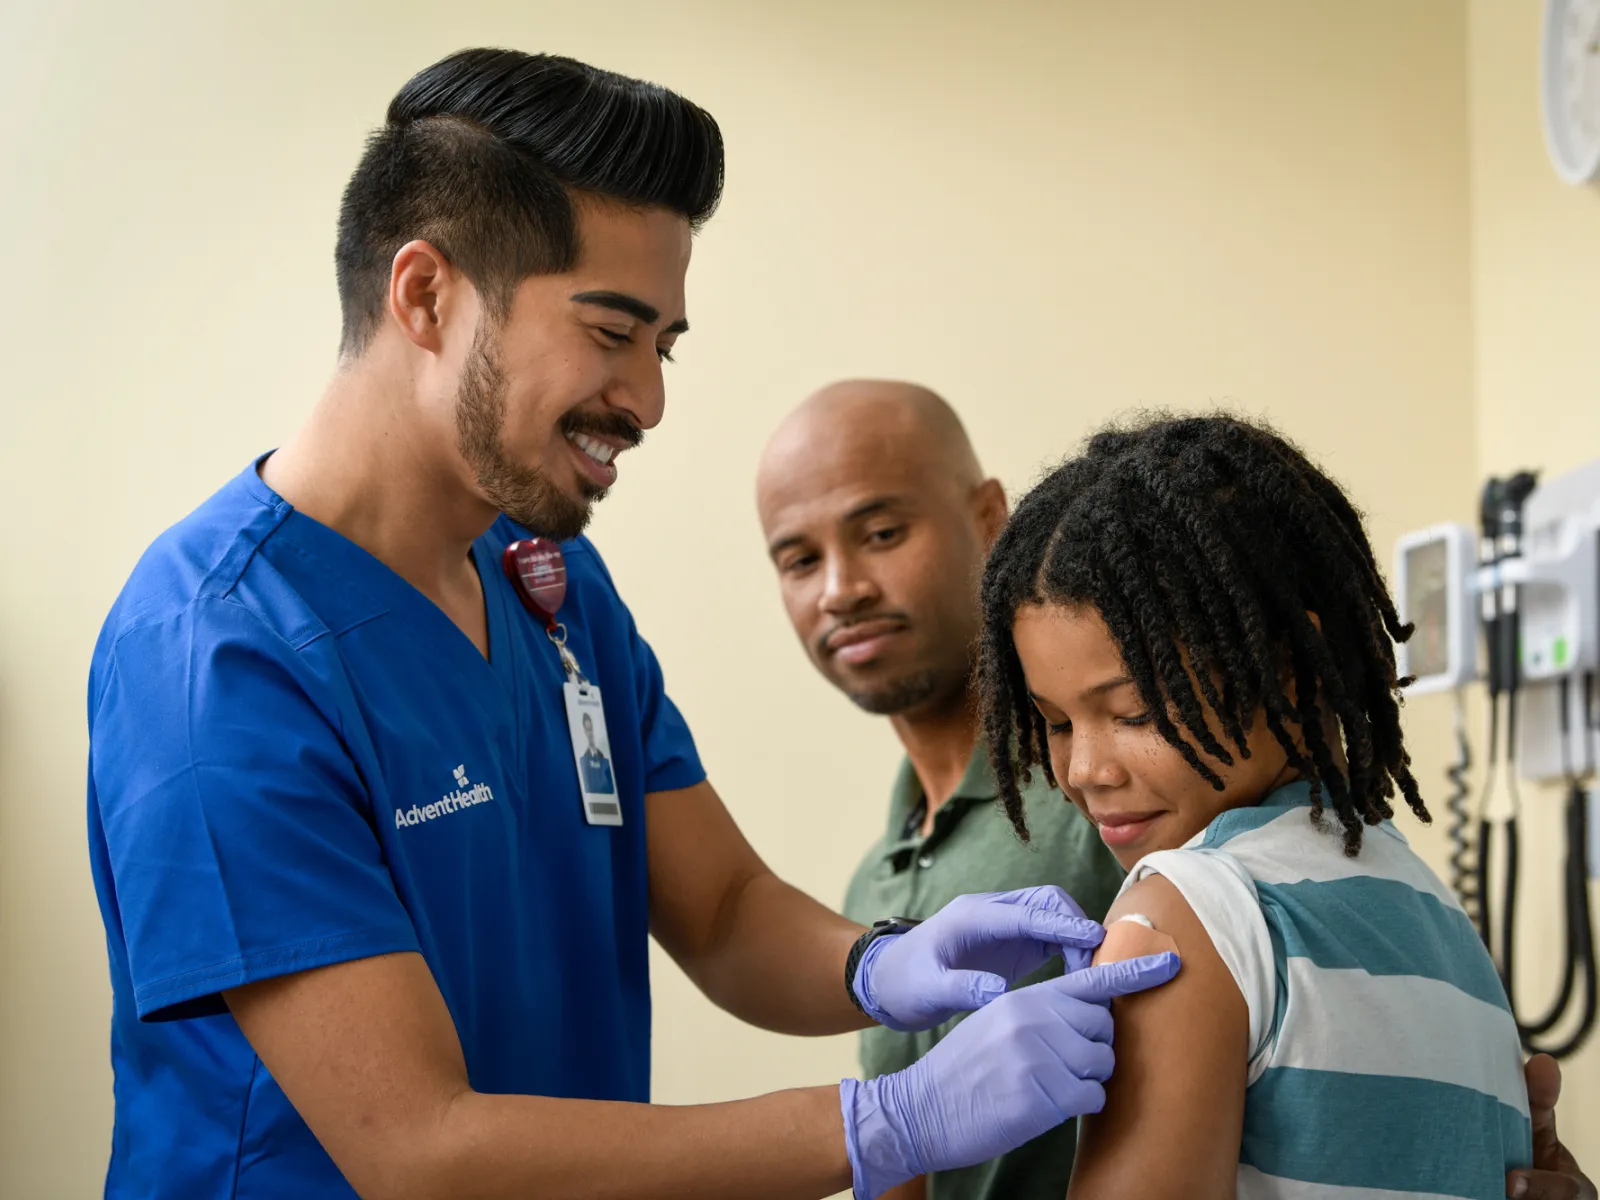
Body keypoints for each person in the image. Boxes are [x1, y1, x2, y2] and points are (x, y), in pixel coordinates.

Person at [84, 48, 1182, 1200]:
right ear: (425, 295)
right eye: (611, 332)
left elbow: (719, 909)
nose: (648, 400)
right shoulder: (216, 655)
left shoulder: (548, 580)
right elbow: (419, 1148)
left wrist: (881, 962)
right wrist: (886, 1120)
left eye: (663, 345)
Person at [974, 412, 1543, 1198]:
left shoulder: (1183, 916)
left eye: (1135, 712)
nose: (1084, 769)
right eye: (1057, 722)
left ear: (1287, 670)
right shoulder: (1434, 914)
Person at [756, 381, 1126, 1200]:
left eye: (881, 533)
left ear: (989, 518)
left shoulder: (1107, 796)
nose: (840, 589)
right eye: (800, 560)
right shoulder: (872, 888)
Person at [579, 711, 616, 794]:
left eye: (591, 729)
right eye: (587, 730)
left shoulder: (603, 755)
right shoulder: (584, 758)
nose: (590, 733)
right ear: (584, 731)